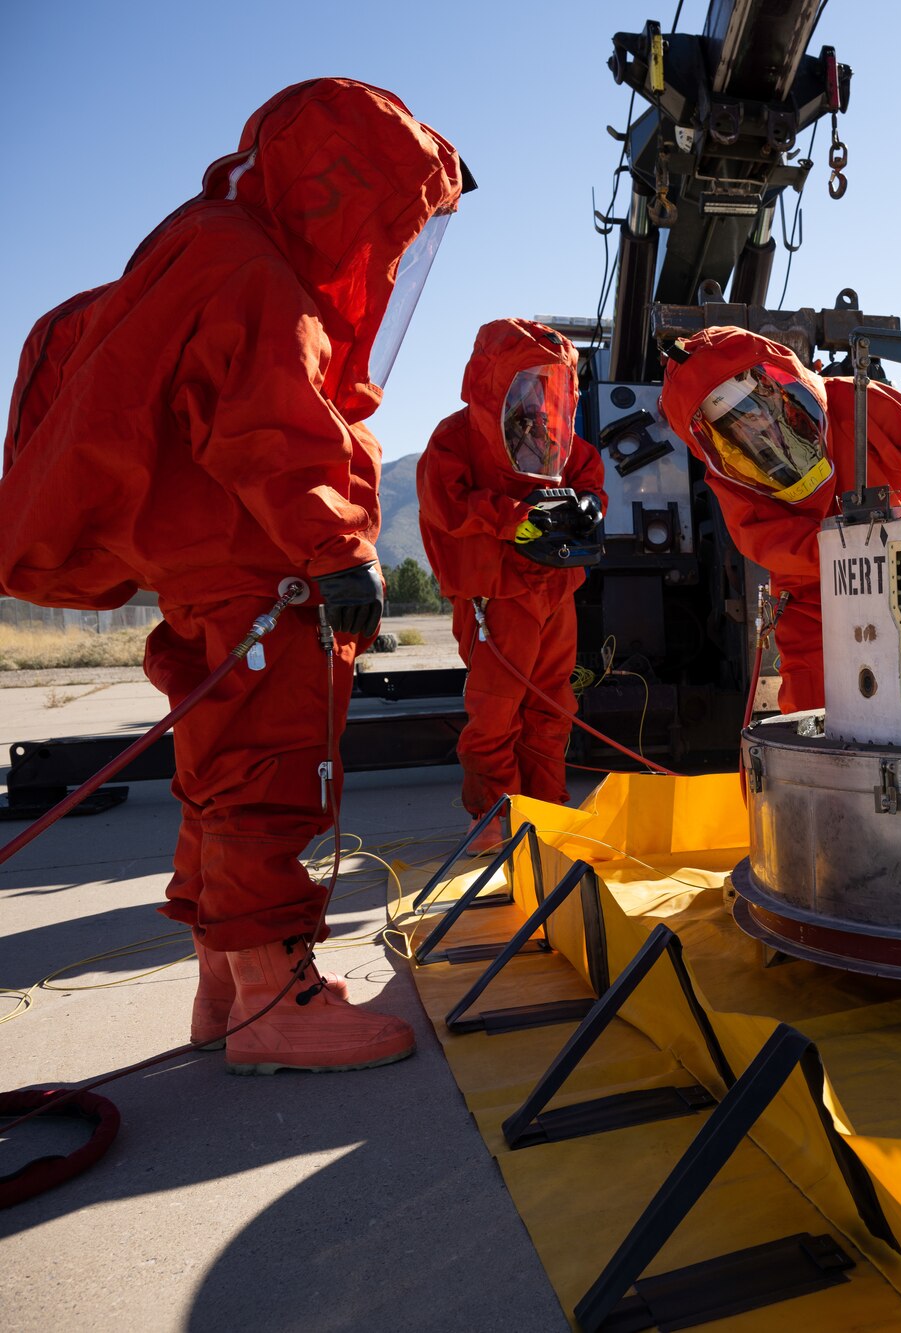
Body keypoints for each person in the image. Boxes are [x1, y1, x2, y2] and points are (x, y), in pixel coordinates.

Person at [0, 79, 467, 1074]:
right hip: (262, 573)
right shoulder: (251, 271)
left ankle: (229, 983)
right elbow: (274, 429)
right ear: (336, 189)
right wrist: (339, 548)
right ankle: (274, 1003)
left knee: (219, 784)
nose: (386, 252)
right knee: (268, 778)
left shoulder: (207, 242)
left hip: (218, 570)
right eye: (386, 220)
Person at [659, 327, 901, 710]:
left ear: (775, 384)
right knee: (811, 709)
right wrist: (846, 552)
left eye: (755, 407)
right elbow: (765, 538)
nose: (756, 426)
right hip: (815, 596)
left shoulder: (860, 400)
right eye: (735, 424)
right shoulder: (731, 477)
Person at [418, 320, 606, 842]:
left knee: (551, 707)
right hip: (494, 595)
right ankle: (495, 818)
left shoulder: (548, 436)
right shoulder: (456, 438)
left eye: (547, 382)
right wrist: (513, 518)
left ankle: (545, 817)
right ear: (494, 381)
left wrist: (590, 504)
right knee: (497, 713)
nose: (536, 393)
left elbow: (587, 472)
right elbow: (445, 505)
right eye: (527, 381)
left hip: (553, 590)